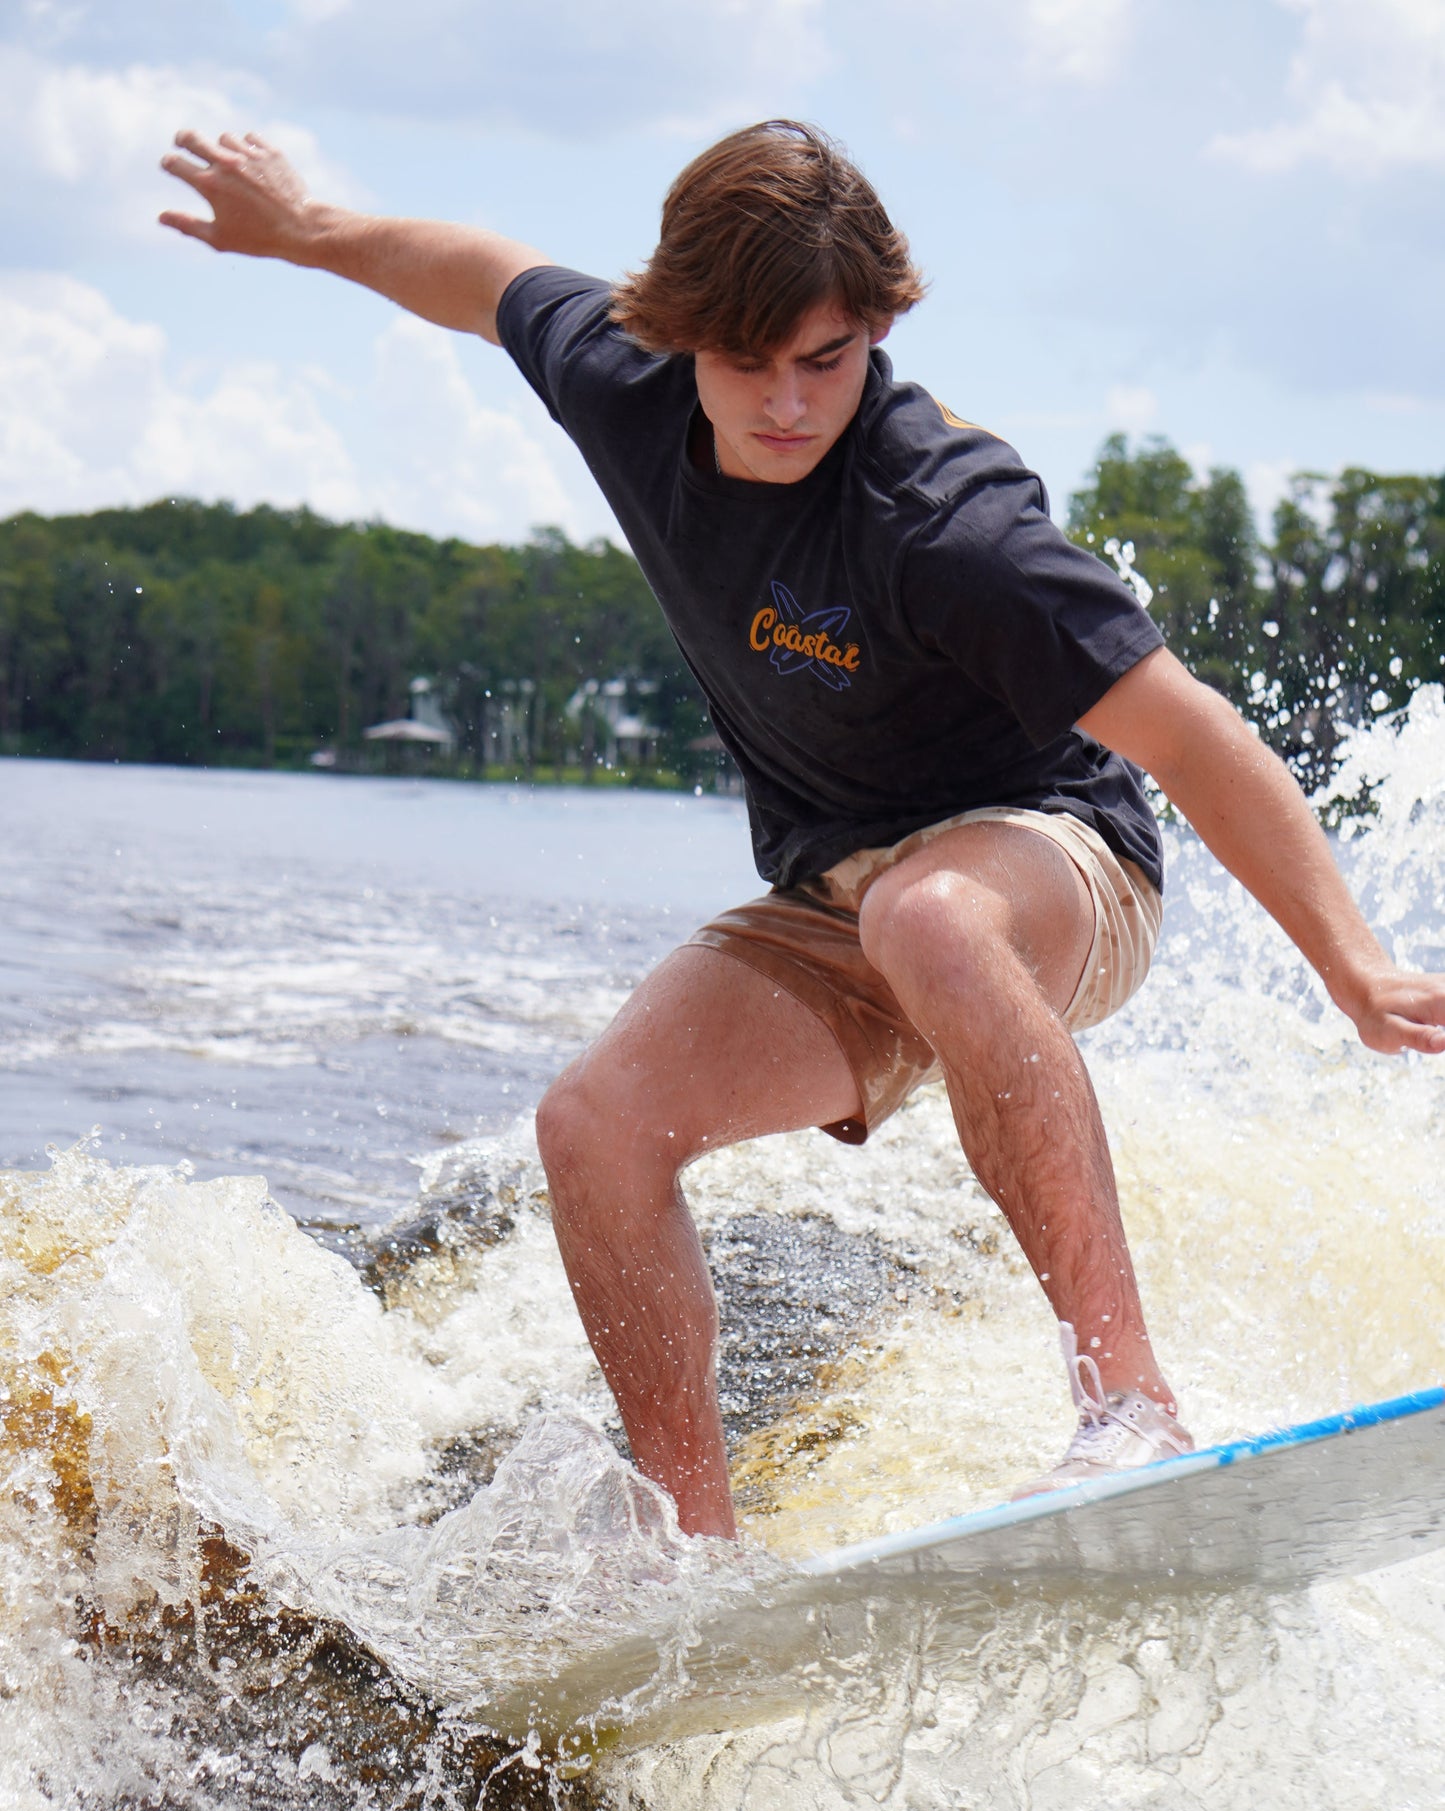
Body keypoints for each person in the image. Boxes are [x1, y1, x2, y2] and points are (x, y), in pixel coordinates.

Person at [161, 118, 1445, 1541]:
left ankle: (1124, 1404)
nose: (784, 402)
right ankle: (692, 1549)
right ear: (677, 331)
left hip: (1051, 863)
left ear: (877, 326)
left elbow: (1192, 734)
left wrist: (1353, 964)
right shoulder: (623, 377)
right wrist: (304, 227)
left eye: (824, 360)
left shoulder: (947, 524)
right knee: (593, 1126)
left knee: (932, 917)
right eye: (746, 361)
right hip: (844, 898)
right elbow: (483, 274)